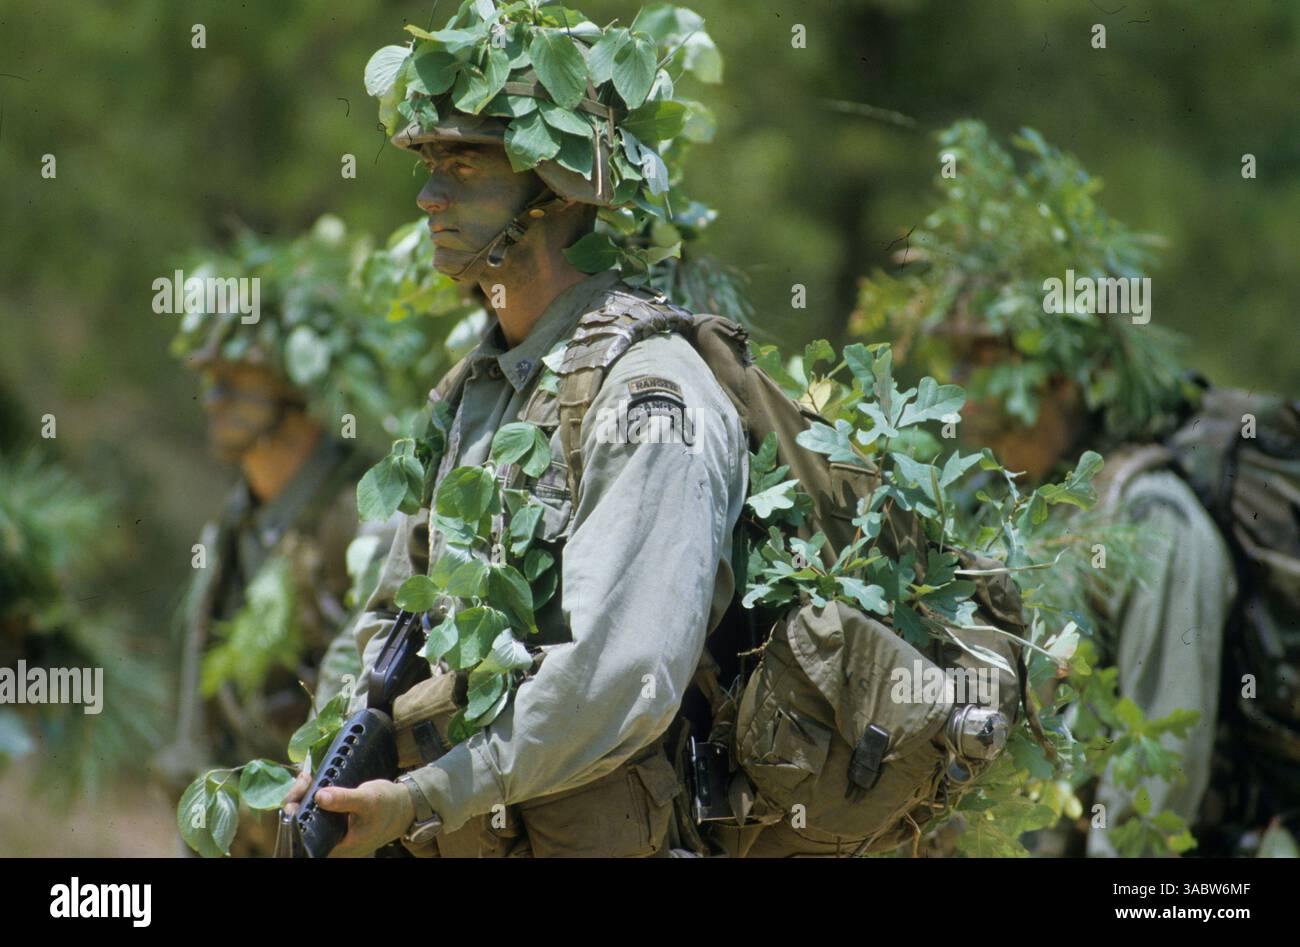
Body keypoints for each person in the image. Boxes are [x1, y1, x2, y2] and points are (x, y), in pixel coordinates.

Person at [283, 7, 747, 857]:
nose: (428, 194)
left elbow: (616, 676)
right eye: (429, 162)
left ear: (558, 189)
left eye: (463, 163)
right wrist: (328, 767)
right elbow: (395, 610)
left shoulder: (650, 393)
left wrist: (426, 794)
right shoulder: (479, 386)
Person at [855, 120, 1298, 856]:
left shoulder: (1154, 523)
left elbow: (1157, 790)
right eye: (953, 356)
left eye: (984, 355)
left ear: (1060, 374)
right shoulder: (1003, 510)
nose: (957, 383)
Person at [154, 219, 393, 855]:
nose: (213, 397)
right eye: (209, 378)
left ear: (296, 386)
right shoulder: (230, 530)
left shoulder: (370, 513)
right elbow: (198, 730)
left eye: (235, 378)